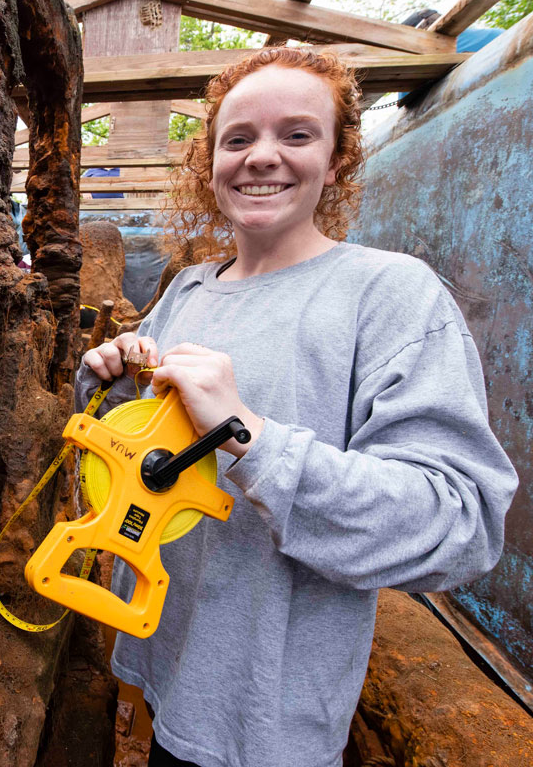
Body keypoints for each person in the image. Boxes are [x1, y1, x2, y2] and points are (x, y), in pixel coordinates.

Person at [75, 48, 517, 767]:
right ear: (210, 163)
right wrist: (115, 382)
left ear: (337, 160)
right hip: (164, 661)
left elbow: (458, 523)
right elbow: (140, 449)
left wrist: (249, 435)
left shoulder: (391, 295)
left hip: (266, 721)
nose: (261, 157)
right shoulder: (188, 289)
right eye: (238, 138)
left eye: (297, 135)